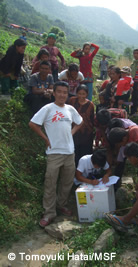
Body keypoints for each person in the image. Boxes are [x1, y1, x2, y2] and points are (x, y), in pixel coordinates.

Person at [29, 81, 83, 228]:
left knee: (67, 182)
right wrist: (46, 138)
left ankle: (61, 204)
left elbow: (80, 122)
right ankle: (49, 212)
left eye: (65, 92)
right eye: (59, 92)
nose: (62, 95)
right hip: (54, 153)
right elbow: (33, 124)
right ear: (54, 93)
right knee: (50, 183)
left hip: (69, 152)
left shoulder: (70, 109)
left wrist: (72, 133)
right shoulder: (47, 108)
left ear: (67, 94)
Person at [69, 84, 94, 166]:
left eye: (83, 94)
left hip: (86, 132)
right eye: (79, 93)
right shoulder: (72, 101)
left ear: (87, 94)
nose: (81, 96)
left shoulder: (90, 105)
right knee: (75, 151)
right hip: (74, 130)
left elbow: (91, 118)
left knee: (85, 152)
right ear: (76, 93)